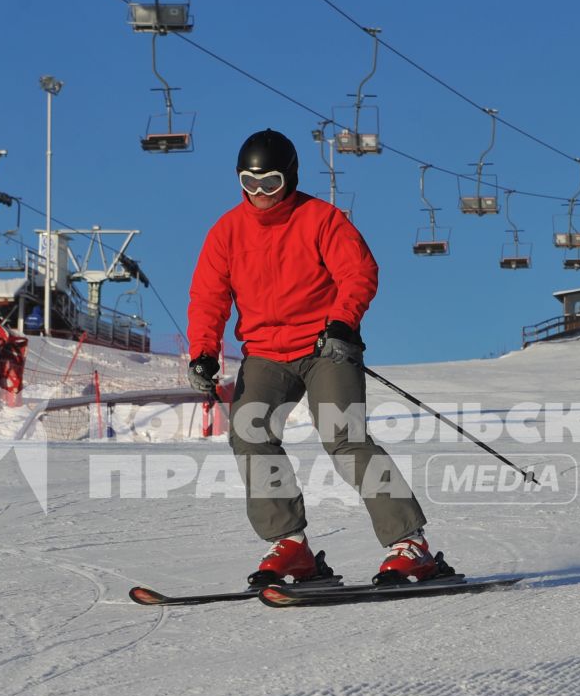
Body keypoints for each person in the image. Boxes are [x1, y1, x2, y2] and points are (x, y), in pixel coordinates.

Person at [186, 128, 443, 587]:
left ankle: (410, 544)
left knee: (343, 436)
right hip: (265, 352)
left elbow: (359, 271)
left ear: (290, 178)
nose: (260, 195)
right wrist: (204, 351)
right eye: (249, 183)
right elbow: (208, 297)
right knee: (249, 432)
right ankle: (290, 545)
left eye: (271, 185)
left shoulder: (320, 219)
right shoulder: (226, 232)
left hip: (326, 345)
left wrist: (343, 322)